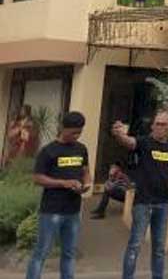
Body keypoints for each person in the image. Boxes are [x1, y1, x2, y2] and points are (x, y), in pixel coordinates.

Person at [26, 111, 91, 279]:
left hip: (73, 211)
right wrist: (63, 183)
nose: (76, 136)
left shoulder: (81, 149)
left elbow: (86, 172)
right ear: (63, 128)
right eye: (73, 132)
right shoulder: (48, 151)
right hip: (51, 210)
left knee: (69, 253)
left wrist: (86, 185)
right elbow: (37, 178)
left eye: (79, 132)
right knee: (41, 252)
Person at [112, 111, 168, 279]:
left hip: (163, 204)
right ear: (152, 125)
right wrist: (120, 134)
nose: (159, 127)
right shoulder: (144, 142)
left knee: (159, 248)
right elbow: (129, 142)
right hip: (143, 203)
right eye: (157, 123)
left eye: (163, 124)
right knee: (135, 245)